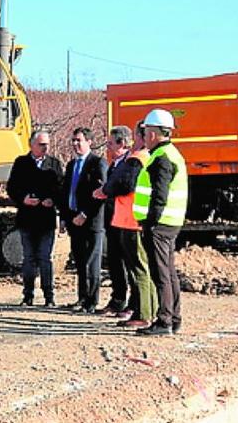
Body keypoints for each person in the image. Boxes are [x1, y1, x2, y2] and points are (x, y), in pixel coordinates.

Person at [133, 108, 188, 335]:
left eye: (146, 132)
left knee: (161, 273)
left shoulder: (162, 158)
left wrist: (150, 223)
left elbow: (159, 195)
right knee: (168, 272)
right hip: (169, 223)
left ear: (154, 134)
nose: (144, 136)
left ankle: (164, 321)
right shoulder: (171, 154)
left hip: (160, 225)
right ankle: (173, 318)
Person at [97, 124, 156, 328]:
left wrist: (105, 189)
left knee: (138, 269)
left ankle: (143, 313)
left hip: (131, 221)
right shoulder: (146, 158)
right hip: (134, 220)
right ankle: (148, 310)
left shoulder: (137, 159)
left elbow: (123, 184)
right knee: (142, 269)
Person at [6, 130, 64, 306]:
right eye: (41, 144)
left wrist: (52, 200)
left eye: (47, 144)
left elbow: (61, 188)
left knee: (45, 258)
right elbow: (12, 187)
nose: (45, 148)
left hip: (46, 219)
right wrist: (23, 199)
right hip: (27, 218)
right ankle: (28, 295)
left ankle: (49, 297)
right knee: (29, 258)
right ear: (31, 144)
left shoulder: (54, 164)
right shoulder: (21, 163)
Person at [58, 127, 106, 313]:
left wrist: (85, 214)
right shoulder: (71, 165)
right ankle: (81, 298)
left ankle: (91, 302)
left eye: (79, 140)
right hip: (73, 220)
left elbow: (100, 195)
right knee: (79, 261)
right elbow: (66, 193)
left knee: (91, 262)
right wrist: (64, 217)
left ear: (89, 142)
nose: (76, 144)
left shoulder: (97, 163)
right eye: (74, 140)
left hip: (91, 221)